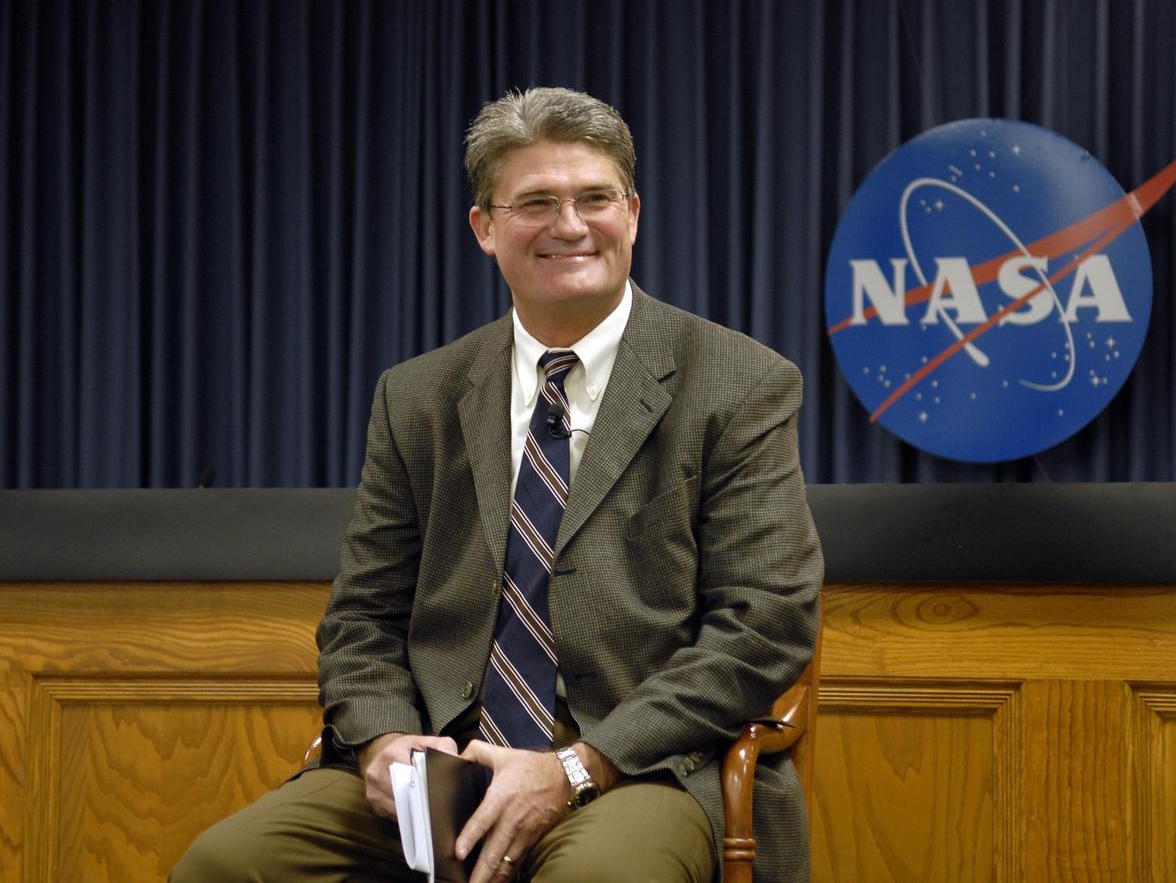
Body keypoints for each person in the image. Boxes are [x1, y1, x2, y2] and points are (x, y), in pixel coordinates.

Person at [172, 87, 823, 882]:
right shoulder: (417, 394)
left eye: (595, 198)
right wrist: (382, 740)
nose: (572, 225)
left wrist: (580, 766)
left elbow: (765, 626)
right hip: (441, 773)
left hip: (640, 767)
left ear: (635, 212)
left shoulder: (740, 382)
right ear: (484, 227)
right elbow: (363, 617)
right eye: (537, 202)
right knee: (225, 865)